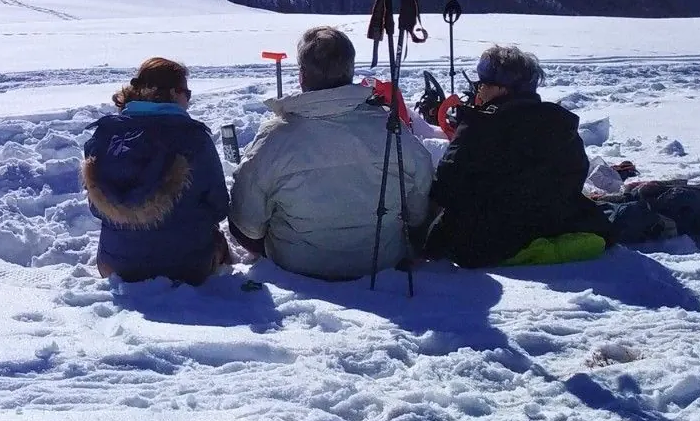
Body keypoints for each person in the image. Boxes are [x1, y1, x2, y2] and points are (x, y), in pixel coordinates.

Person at [228, 26, 435, 280]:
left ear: (302, 75)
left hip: (298, 267)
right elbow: (421, 195)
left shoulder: (275, 138)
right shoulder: (389, 127)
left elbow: (246, 224)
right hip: (382, 261)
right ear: (350, 70)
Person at [423, 45, 613, 267]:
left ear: (503, 90)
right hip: (554, 222)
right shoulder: (558, 122)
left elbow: (446, 187)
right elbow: (575, 175)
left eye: (483, 84)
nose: (478, 89)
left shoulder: (479, 126)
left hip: (486, 241)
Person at [82, 57, 230, 284]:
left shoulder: (104, 135)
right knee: (218, 243)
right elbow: (218, 206)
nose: (188, 101)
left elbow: (96, 208)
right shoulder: (194, 138)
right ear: (172, 93)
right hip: (188, 266)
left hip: (115, 266)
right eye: (186, 93)